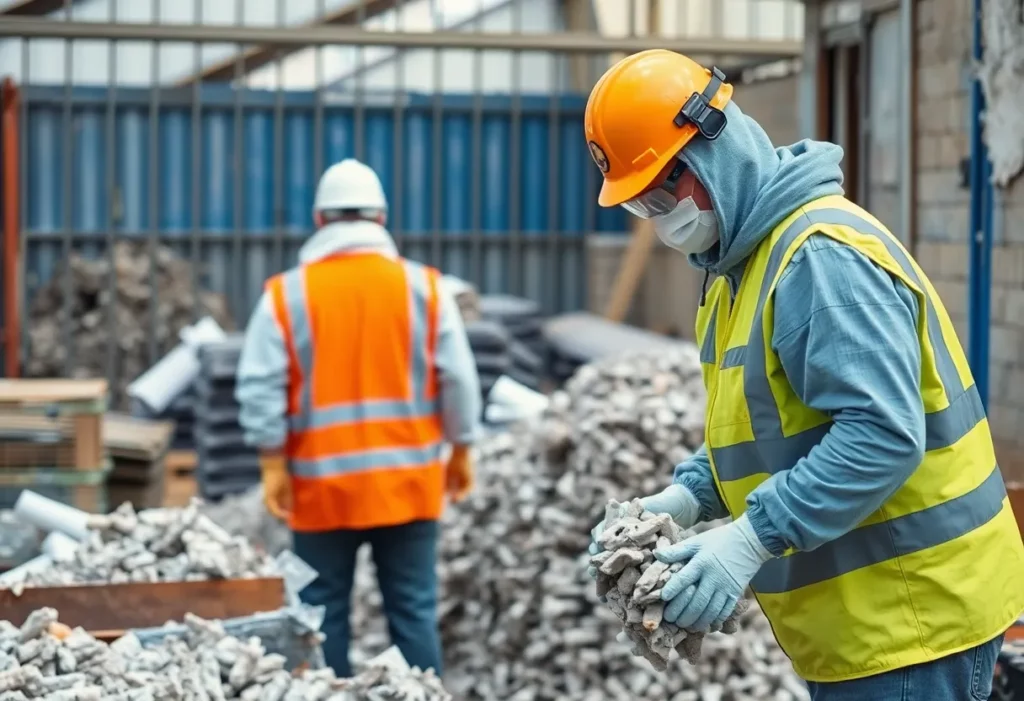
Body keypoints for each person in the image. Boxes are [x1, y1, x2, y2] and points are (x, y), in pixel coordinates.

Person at [584, 50, 1024, 700]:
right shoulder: (738, 269)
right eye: (643, 203)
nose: (659, 213)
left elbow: (881, 434)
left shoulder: (817, 260)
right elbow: (765, 426)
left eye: (662, 188)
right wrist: (687, 496)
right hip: (871, 630)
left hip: (913, 622)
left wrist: (753, 535)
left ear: (712, 150)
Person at [235, 158, 481, 678]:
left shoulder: (287, 294)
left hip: (322, 489)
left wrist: (271, 461)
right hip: (410, 487)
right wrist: (461, 448)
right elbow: (458, 378)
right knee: (412, 612)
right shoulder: (427, 288)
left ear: (320, 220)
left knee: (321, 616)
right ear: (381, 217)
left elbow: (260, 386)